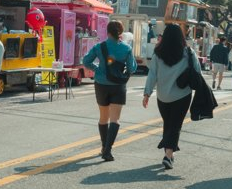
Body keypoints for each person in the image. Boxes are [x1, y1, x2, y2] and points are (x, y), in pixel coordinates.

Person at [142, 23, 200, 169]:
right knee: (175, 125)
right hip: (182, 95)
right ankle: (168, 154)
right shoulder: (188, 52)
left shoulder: (158, 53)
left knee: (168, 123)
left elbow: (152, 74)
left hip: (163, 97)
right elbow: (197, 71)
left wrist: (147, 93)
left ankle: (170, 153)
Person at [83, 19, 137, 162]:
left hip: (101, 84)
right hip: (118, 86)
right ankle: (108, 150)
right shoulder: (126, 49)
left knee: (103, 117)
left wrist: (98, 70)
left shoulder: (99, 47)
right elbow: (132, 69)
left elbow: (86, 61)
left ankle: (103, 146)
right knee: (115, 119)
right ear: (120, 33)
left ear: (107, 32)